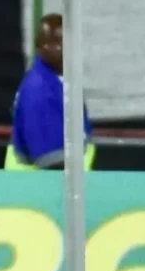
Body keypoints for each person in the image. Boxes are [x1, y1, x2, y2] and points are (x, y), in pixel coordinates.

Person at [7, 13, 95, 170]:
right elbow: (52, 162)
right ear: (38, 46)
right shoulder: (40, 90)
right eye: (49, 43)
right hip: (39, 183)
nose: (57, 48)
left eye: (61, 41)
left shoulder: (59, 80)